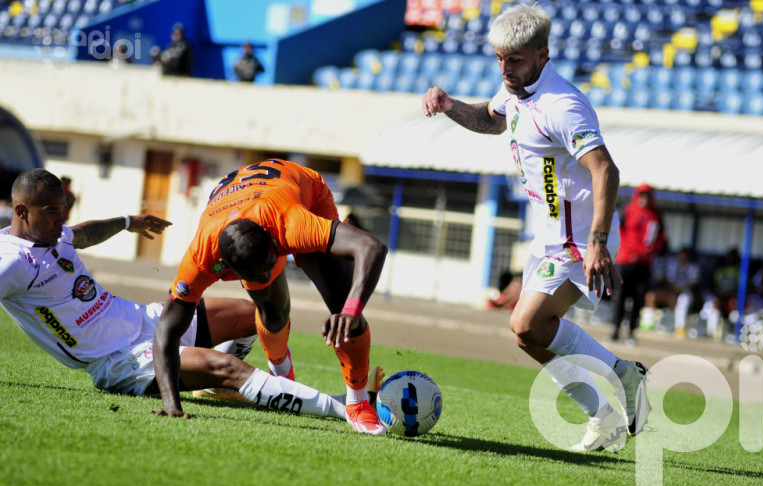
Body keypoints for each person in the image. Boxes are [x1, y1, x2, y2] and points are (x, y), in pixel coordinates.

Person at [421, 3, 650, 452]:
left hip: (581, 240)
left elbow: (606, 171)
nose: (505, 69)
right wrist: (449, 106)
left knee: (526, 323)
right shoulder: (516, 89)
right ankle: (602, 417)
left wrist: (599, 245)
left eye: (516, 60)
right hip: (549, 238)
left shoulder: (563, 106)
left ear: (542, 55)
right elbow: (492, 119)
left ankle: (625, 374)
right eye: (500, 60)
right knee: (528, 335)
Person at [0, 169, 356, 423]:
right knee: (228, 367)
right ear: (21, 211)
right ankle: (345, 409)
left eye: (64, 207)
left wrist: (128, 222)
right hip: (120, 359)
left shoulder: (54, 233)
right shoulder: (12, 261)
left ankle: (215, 389)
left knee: (257, 315)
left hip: (144, 319)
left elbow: (81, 234)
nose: (62, 216)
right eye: (52, 211)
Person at [153, 159, 389, 435]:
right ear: (226, 269)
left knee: (341, 298)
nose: (267, 277)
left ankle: (358, 403)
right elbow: (166, 330)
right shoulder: (200, 257)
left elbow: (371, 247)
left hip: (302, 191)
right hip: (245, 203)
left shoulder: (291, 222)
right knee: (272, 311)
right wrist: (171, 404)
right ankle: (281, 375)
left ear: (274, 245)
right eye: (257, 274)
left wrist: (350, 309)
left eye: (269, 267)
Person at [609, 183, 666, 344]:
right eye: (642, 194)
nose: (644, 198)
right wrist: (627, 252)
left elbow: (660, 239)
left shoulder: (656, 216)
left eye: (648, 195)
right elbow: (617, 233)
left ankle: (631, 332)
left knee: (638, 298)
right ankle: (615, 329)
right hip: (624, 261)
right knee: (619, 297)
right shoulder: (627, 211)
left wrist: (645, 253)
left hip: (643, 264)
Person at [642, 246, 702, 338]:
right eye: (680, 257)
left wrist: (678, 291)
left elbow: (693, 285)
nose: (682, 259)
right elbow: (669, 282)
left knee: (683, 300)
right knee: (650, 296)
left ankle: (680, 328)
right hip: (672, 291)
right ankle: (648, 324)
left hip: (687, 293)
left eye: (684, 257)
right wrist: (673, 292)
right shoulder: (673, 265)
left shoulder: (694, 267)